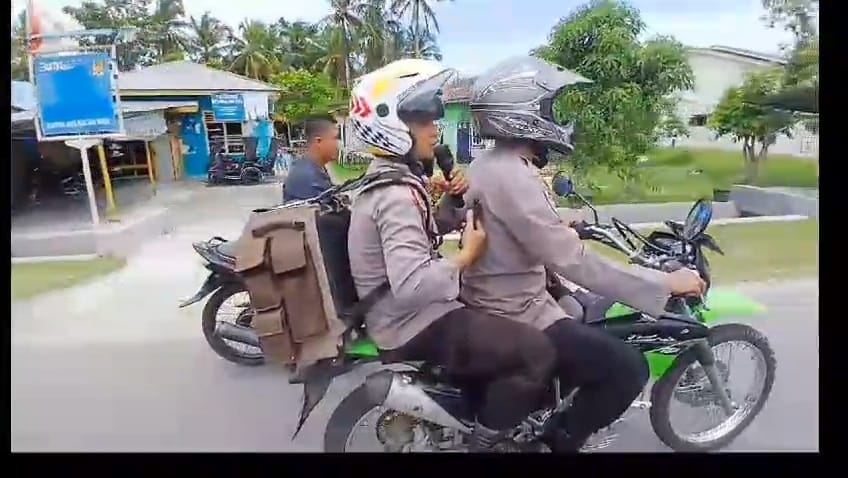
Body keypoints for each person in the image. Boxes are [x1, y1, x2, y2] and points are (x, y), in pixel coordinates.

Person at [460, 56, 706, 452]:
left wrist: (560, 221)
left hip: (500, 294)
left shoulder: (490, 163)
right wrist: (664, 283)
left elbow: (521, 227)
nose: (555, 117)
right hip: (514, 309)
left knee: (581, 313)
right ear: (523, 113)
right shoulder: (513, 176)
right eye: (548, 107)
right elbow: (572, 261)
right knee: (628, 368)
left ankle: (541, 406)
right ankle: (557, 442)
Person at [346, 59, 557, 452]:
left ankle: (481, 407)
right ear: (393, 126)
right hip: (409, 322)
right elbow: (410, 286)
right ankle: (487, 442)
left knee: (500, 328)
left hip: (403, 312)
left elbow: (416, 240)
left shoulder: (395, 181)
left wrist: (448, 203)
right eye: (424, 121)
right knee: (536, 351)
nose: (434, 130)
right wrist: (464, 257)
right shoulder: (395, 196)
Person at [282, 117, 340, 202]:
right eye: (335, 138)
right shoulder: (307, 178)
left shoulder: (312, 169)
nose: (338, 144)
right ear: (318, 141)